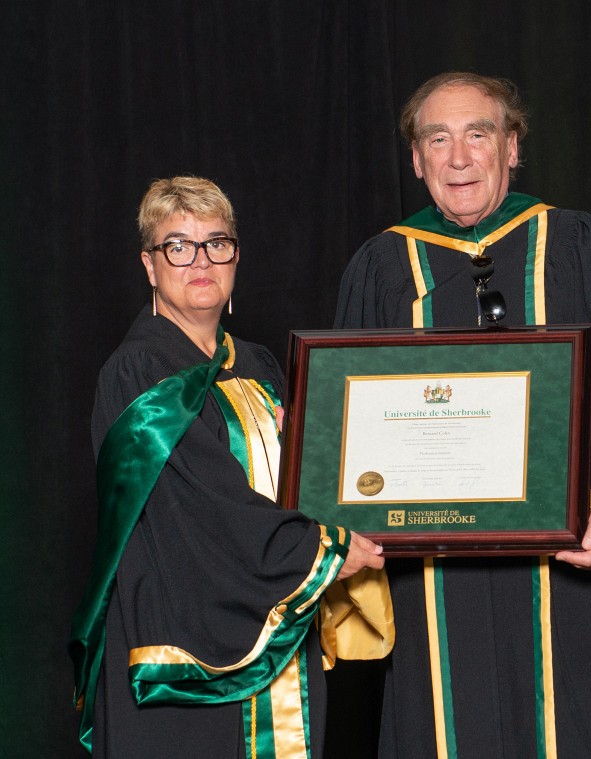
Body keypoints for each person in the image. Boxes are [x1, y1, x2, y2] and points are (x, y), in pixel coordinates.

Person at [335, 72, 591, 757]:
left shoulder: (583, 248)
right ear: (416, 159)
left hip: (565, 580)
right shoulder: (378, 269)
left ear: (512, 148)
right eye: (438, 137)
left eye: (477, 134)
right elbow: (345, 438)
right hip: (428, 589)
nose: (459, 156)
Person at [69, 176, 391, 758]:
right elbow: (196, 505)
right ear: (149, 264)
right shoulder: (140, 374)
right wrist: (320, 550)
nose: (201, 260)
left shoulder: (260, 365)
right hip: (183, 643)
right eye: (178, 245)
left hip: (277, 627)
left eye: (217, 242)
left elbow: (311, 476)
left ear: (236, 257)